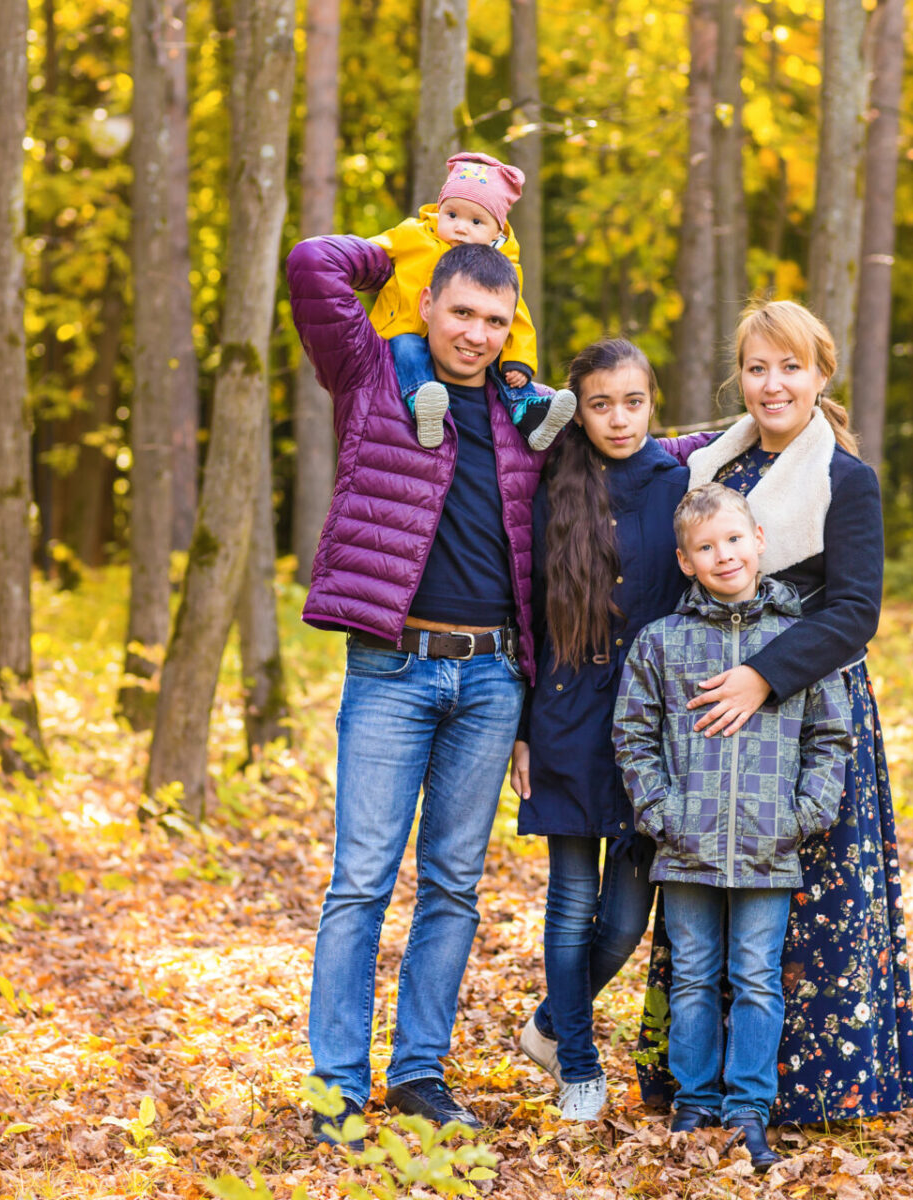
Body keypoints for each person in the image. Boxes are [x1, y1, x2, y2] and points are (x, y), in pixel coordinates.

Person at [286, 233, 547, 1146]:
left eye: (493, 319)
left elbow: (630, 449)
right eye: (461, 311)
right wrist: (429, 235)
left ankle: (419, 1077)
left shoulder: (528, 417)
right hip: (392, 668)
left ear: (512, 328)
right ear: (428, 304)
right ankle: (336, 1089)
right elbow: (314, 264)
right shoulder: (375, 378)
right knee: (360, 882)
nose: (475, 333)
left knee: (453, 886)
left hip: (490, 676)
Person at [634, 299, 913, 1125]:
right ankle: (699, 1091)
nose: (773, 384)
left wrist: (763, 676)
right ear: (740, 378)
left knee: (811, 899)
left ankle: (806, 1092)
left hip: (806, 702)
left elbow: (854, 611)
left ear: (820, 374)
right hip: (710, 719)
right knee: (706, 902)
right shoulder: (712, 476)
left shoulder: (844, 480)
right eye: (757, 368)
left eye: (790, 367)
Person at [614, 483, 853, 1167]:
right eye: (706, 547)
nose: (724, 555)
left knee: (755, 976)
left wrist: (804, 815)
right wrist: (663, 814)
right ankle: (694, 1105)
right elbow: (633, 734)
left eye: (734, 539)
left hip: (769, 843)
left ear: (759, 542)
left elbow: (829, 735)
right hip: (685, 845)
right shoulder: (662, 643)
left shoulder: (798, 642)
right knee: (691, 975)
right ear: (686, 562)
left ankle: (747, 1111)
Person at [506, 339, 690, 1122]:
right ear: (577, 408)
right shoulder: (554, 484)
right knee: (572, 894)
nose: (619, 418)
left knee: (624, 918)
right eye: (601, 403)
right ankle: (579, 1065)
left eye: (634, 401)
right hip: (569, 714)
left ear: (653, 402)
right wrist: (520, 729)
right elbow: (526, 614)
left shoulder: (679, 483)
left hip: (650, 724)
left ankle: (549, 1024)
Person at [367, 150, 575, 451]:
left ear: (496, 232)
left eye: (476, 222)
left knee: (502, 366)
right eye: (451, 215)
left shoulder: (500, 267)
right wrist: (348, 262)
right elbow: (372, 249)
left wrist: (520, 360)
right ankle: (423, 404)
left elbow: (516, 318)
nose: (461, 227)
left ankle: (529, 410)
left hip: (464, 351)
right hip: (408, 329)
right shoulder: (413, 235)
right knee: (407, 348)